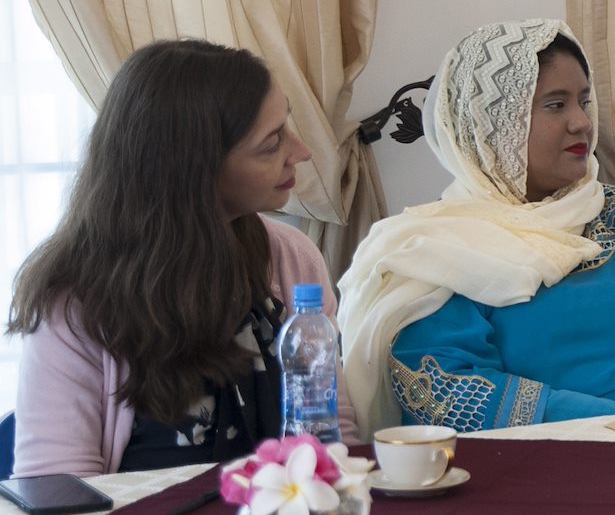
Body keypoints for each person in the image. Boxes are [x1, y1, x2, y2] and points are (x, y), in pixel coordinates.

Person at [339, 20, 615, 431]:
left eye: (584, 101)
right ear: (495, 125)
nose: (582, 123)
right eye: (556, 105)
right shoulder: (440, 248)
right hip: (549, 465)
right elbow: (445, 385)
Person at [9, 40, 357, 477]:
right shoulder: (74, 301)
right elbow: (57, 492)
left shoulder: (292, 260)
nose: (302, 151)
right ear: (193, 171)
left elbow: (336, 440)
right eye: (271, 144)